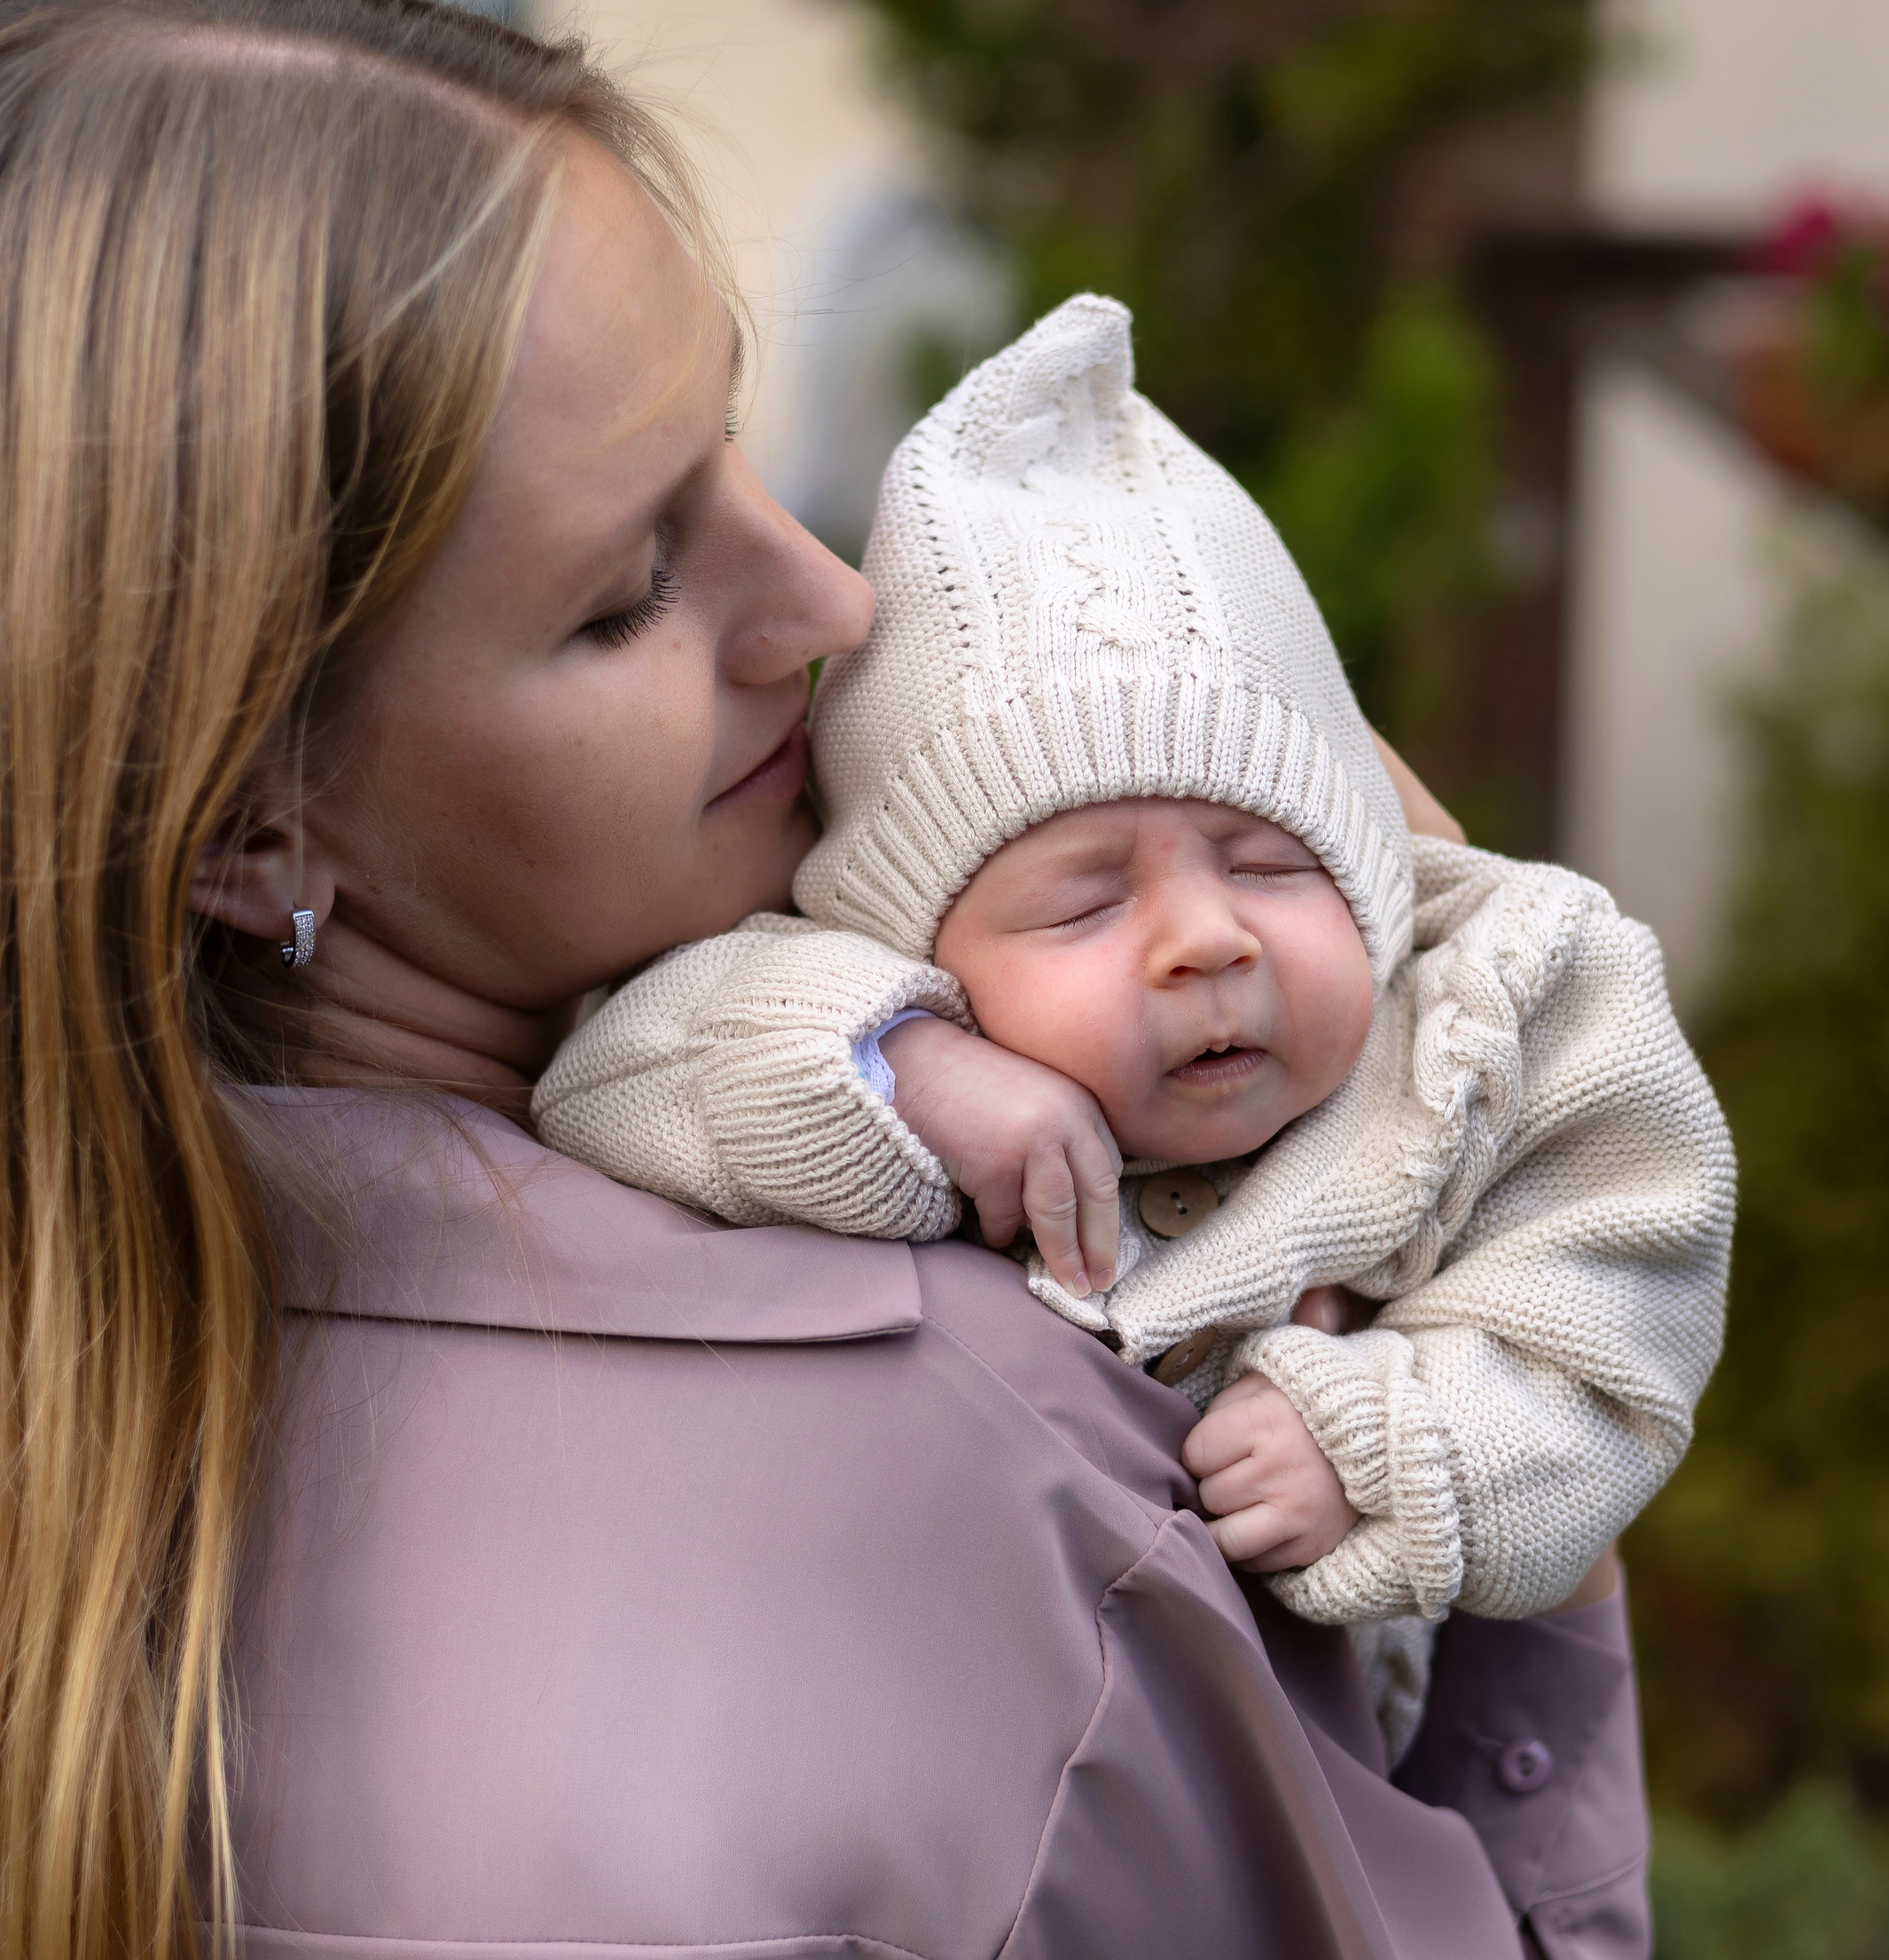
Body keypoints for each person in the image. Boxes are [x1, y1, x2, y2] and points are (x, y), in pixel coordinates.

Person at [0, 0, 1653, 1960]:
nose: (828, 597)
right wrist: (1506, 1389)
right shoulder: (944, 1458)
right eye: (637, 583)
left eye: (740, 457)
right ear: (258, 810)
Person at [534, 294, 1735, 1755]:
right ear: (918, 940)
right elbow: (613, 1075)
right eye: (1083, 904)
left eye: (1272, 863)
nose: (1206, 938)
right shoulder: (845, 1010)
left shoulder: (1489, 1021)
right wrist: (902, 1066)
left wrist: (1390, 1440)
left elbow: (1616, 1323)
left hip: (1354, 1801)